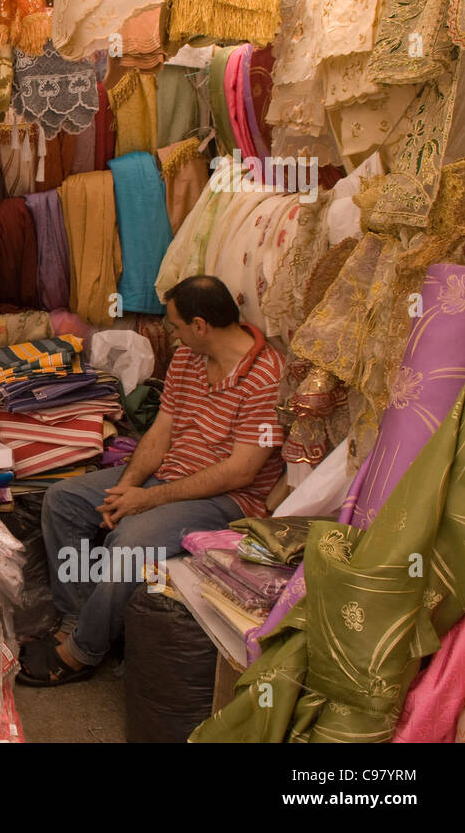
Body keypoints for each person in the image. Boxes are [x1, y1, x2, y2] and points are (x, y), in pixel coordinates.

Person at [20, 275, 285, 686]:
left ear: (200, 325)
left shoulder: (266, 377)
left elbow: (241, 471)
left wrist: (150, 500)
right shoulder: (187, 359)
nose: (172, 334)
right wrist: (128, 487)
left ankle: (83, 651)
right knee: (64, 500)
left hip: (229, 498)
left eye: (175, 325)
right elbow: (160, 433)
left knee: (129, 542)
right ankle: (77, 615)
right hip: (171, 474)